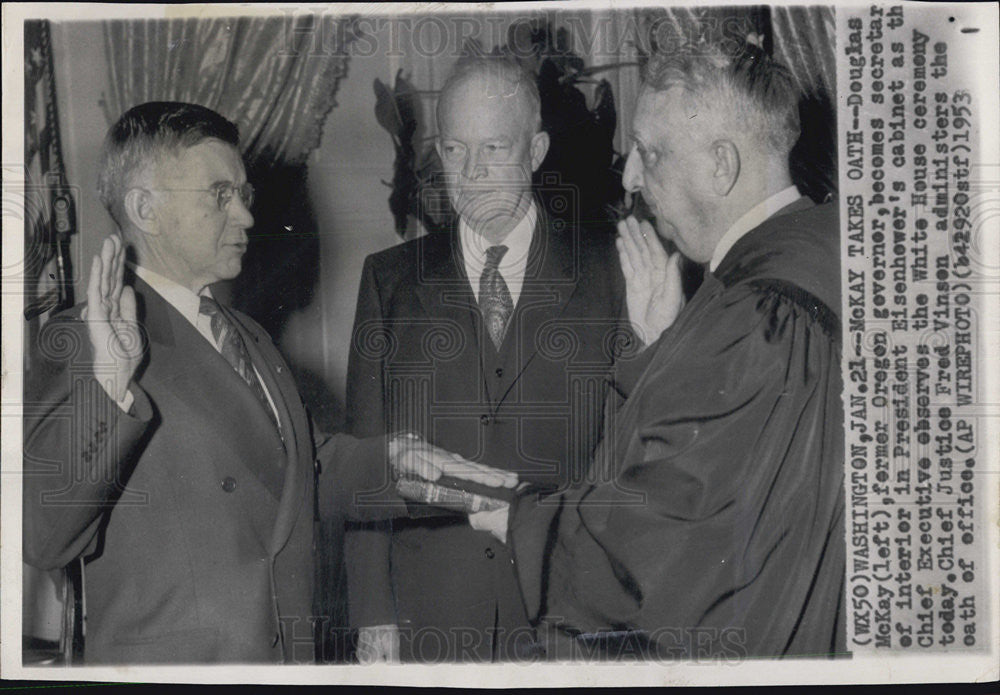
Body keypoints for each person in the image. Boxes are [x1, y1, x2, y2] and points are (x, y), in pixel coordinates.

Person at [21, 101, 511, 665]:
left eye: (244, 195)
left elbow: (289, 474)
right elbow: (43, 532)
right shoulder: (85, 335)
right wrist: (109, 383)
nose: (247, 217)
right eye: (219, 195)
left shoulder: (246, 335)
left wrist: (392, 461)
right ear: (145, 208)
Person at [470, 41, 846, 659]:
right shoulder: (838, 253)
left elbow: (667, 547)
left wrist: (523, 520)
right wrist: (661, 348)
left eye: (650, 153)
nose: (630, 178)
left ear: (721, 165)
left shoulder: (757, 316)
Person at [344, 54, 629, 662]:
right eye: (454, 150)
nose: (472, 173)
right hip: (432, 610)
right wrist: (373, 616)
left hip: (570, 604)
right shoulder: (390, 280)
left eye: (495, 148)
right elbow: (365, 460)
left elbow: (636, 450)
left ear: (537, 149)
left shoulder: (613, 270)